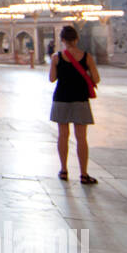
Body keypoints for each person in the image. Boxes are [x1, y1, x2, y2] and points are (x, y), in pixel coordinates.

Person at [49, 25, 101, 185]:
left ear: (62, 40)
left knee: (63, 136)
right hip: (80, 99)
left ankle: (64, 170)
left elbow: (52, 79)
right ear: (77, 39)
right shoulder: (86, 57)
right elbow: (96, 79)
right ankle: (84, 174)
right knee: (81, 138)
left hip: (61, 98)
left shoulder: (56, 57)